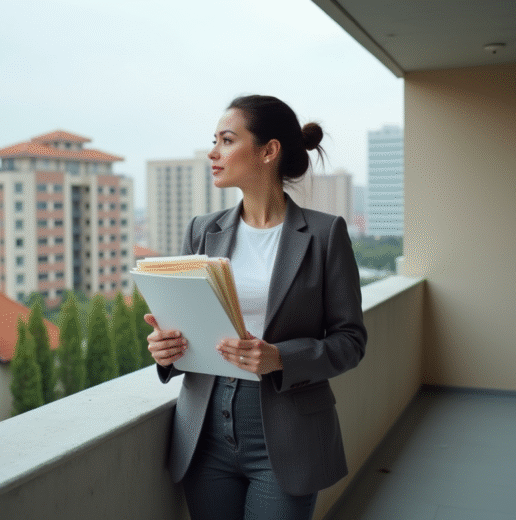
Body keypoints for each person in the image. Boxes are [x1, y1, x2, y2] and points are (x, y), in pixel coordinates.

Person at [145, 95, 367, 520]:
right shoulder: (202, 231)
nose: (213, 152)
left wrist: (280, 357)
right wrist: (166, 348)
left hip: (288, 434)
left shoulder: (324, 234)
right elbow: (188, 325)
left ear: (269, 151)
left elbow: (351, 341)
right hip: (204, 430)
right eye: (215, 141)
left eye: (227, 140)